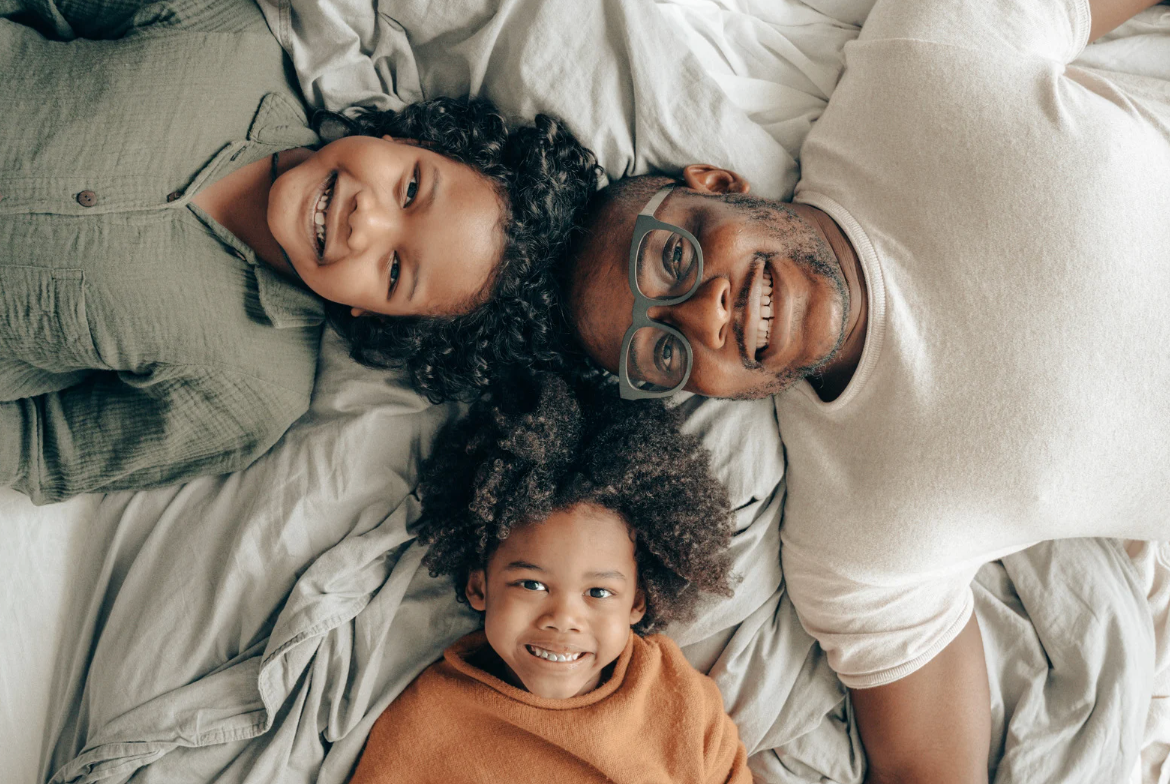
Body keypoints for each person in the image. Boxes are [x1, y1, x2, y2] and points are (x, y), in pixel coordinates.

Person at [561, 0, 1170, 781]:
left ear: (715, 182)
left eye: (673, 261)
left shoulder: (920, 62)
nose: (705, 312)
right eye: (666, 351)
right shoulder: (852, 544)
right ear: (695, 394)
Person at [0, 0, 599, 504]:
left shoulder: (250, 395)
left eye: (394, 270)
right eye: (412, 188)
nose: (368, 221)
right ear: (408, 138)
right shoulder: (227, 36)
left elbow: (42, 448)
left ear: (378, 318)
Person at [348, 374, 750, 783]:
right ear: (479, 586)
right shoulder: (429, 719)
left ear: (637, 602)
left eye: (598, 592)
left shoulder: (677, 698)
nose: (562, 617)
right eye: (532, 585)